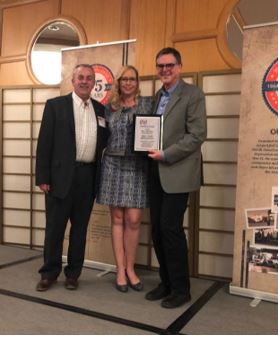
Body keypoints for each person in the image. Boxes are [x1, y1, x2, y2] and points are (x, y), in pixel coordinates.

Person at [35, 64, 108, 291]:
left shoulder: (100, 110)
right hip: (59, 178)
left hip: (88, 177)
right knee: (55, 228)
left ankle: (73, 274)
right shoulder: (56, 106)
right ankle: (49, 273)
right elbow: (44, 143)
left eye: (89, 78)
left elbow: (103, 144)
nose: (85, 81)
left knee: (79, 231)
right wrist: (42, 177)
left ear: (94, 83)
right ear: (73, 81)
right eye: (81, 78)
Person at [145, 47, 207, 308]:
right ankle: (166, 282)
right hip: (155, 171)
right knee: (157, 230)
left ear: (179, 67)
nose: (164, 70)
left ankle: (181, 289)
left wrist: (166, 154)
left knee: (171, 229)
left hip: (178, 171)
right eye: (160, 66)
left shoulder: (193, 94)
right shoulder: (157, 95)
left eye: (169, 65)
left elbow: (197, 135)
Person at [96, 66, 153, 293]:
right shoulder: (108, 109)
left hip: (138, 166)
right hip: (112, 165)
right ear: (118, 83)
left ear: (137, 82)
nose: (128, 83)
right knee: (117, 218)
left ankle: (131, 268)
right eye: (124, 79)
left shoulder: (147, 104)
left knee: (134, 219)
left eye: (132, 79)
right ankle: (120, 270)